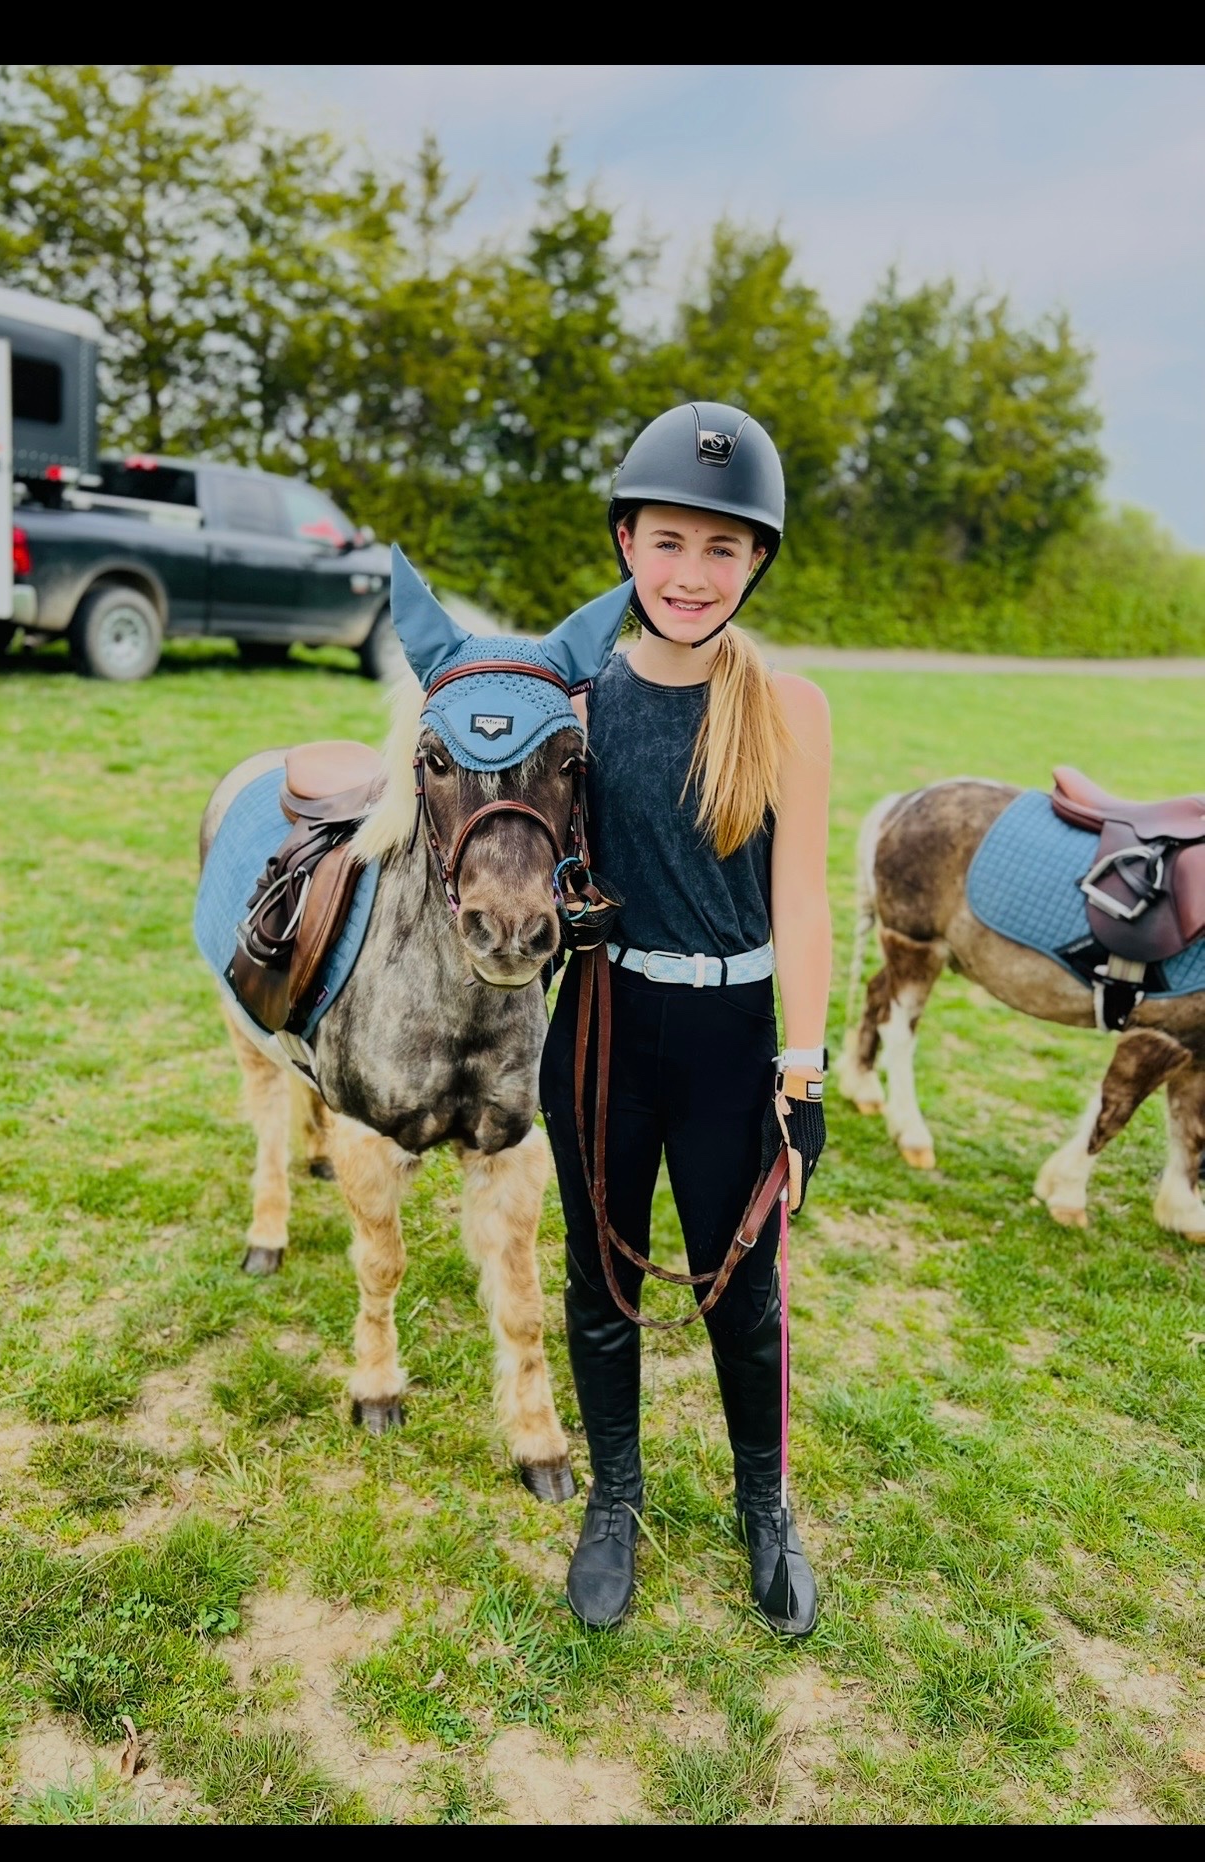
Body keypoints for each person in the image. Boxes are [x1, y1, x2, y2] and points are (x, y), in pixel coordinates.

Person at [539, 401, 832, 1634]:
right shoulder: (579, 704)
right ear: (625, 543)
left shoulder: (788, 706)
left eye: (722, 547)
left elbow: (802, 897)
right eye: (668, 541)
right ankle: (615, 1497)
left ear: (756, 559)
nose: (692, 573)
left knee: (742, 1285)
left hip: (731, 1041)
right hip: (602, 1031)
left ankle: (766, 1504)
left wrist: (804, 1074)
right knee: (601, 1273)